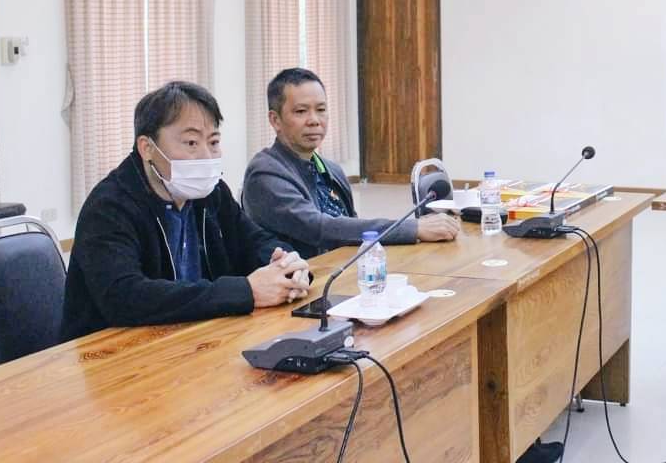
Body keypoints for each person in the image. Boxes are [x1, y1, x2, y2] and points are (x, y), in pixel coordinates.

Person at [61, 82, 310, 342]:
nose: (206, 156)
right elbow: (124, 296)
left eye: (213, 142)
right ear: (147, 148)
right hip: (115, 352)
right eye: (191, 142)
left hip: (197, 338)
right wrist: (245, 291)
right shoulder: (109, 207)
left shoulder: (211, 193)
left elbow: (255, 240)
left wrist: (288, 267)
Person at [243, 68, 459, 259]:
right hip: (300, 284)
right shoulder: (265, 174)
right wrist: (412, 229)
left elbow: (351, 228)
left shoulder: (331, 169)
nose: (314, 120)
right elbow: (318, 228)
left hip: (345, 271)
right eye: (301, 111)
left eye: (321, 109)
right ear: (275, 120)